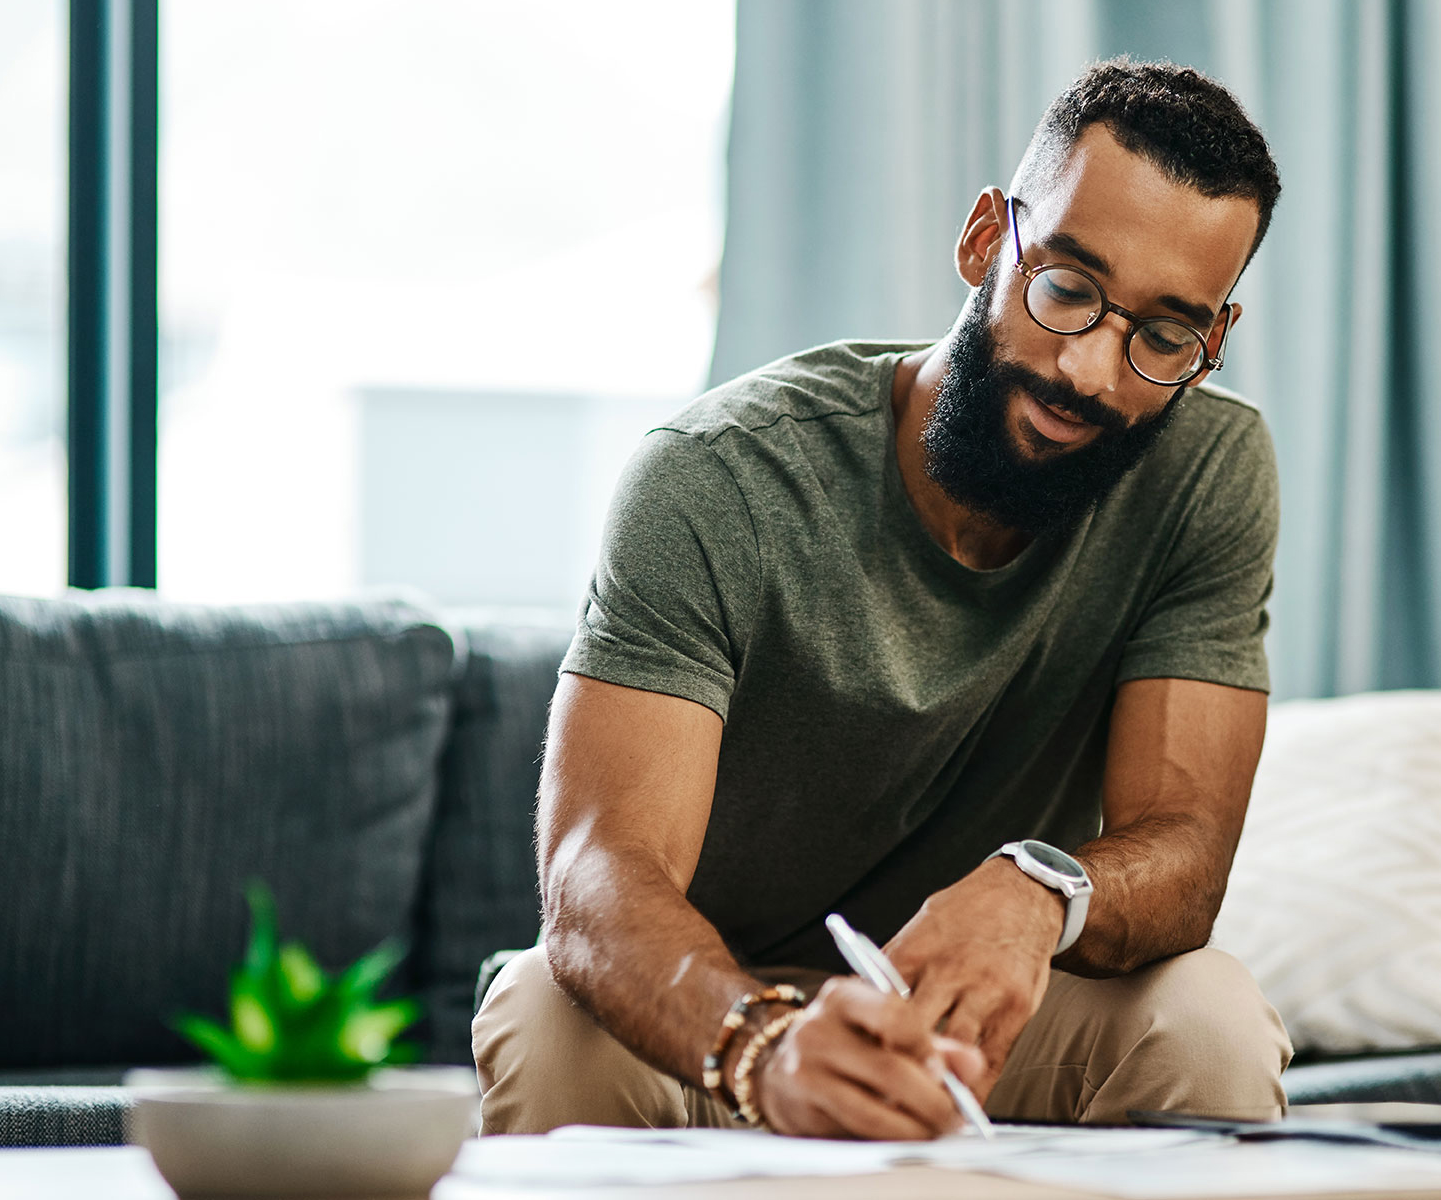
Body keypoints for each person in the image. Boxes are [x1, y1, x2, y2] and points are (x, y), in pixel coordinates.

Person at [474, 58, 1292, 1140]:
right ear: (984, 242)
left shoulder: (1206, 471)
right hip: (715, 1009)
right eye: (1066, 289)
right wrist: (761, 1047)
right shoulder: (717, 475)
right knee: (545, 1008)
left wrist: (1038, 889)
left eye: (1163, 335)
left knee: (1209, 1017)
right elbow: (595, 876)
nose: (1093, 373)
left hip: (972, 1023)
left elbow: (1183, 853)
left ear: (1213, 341)